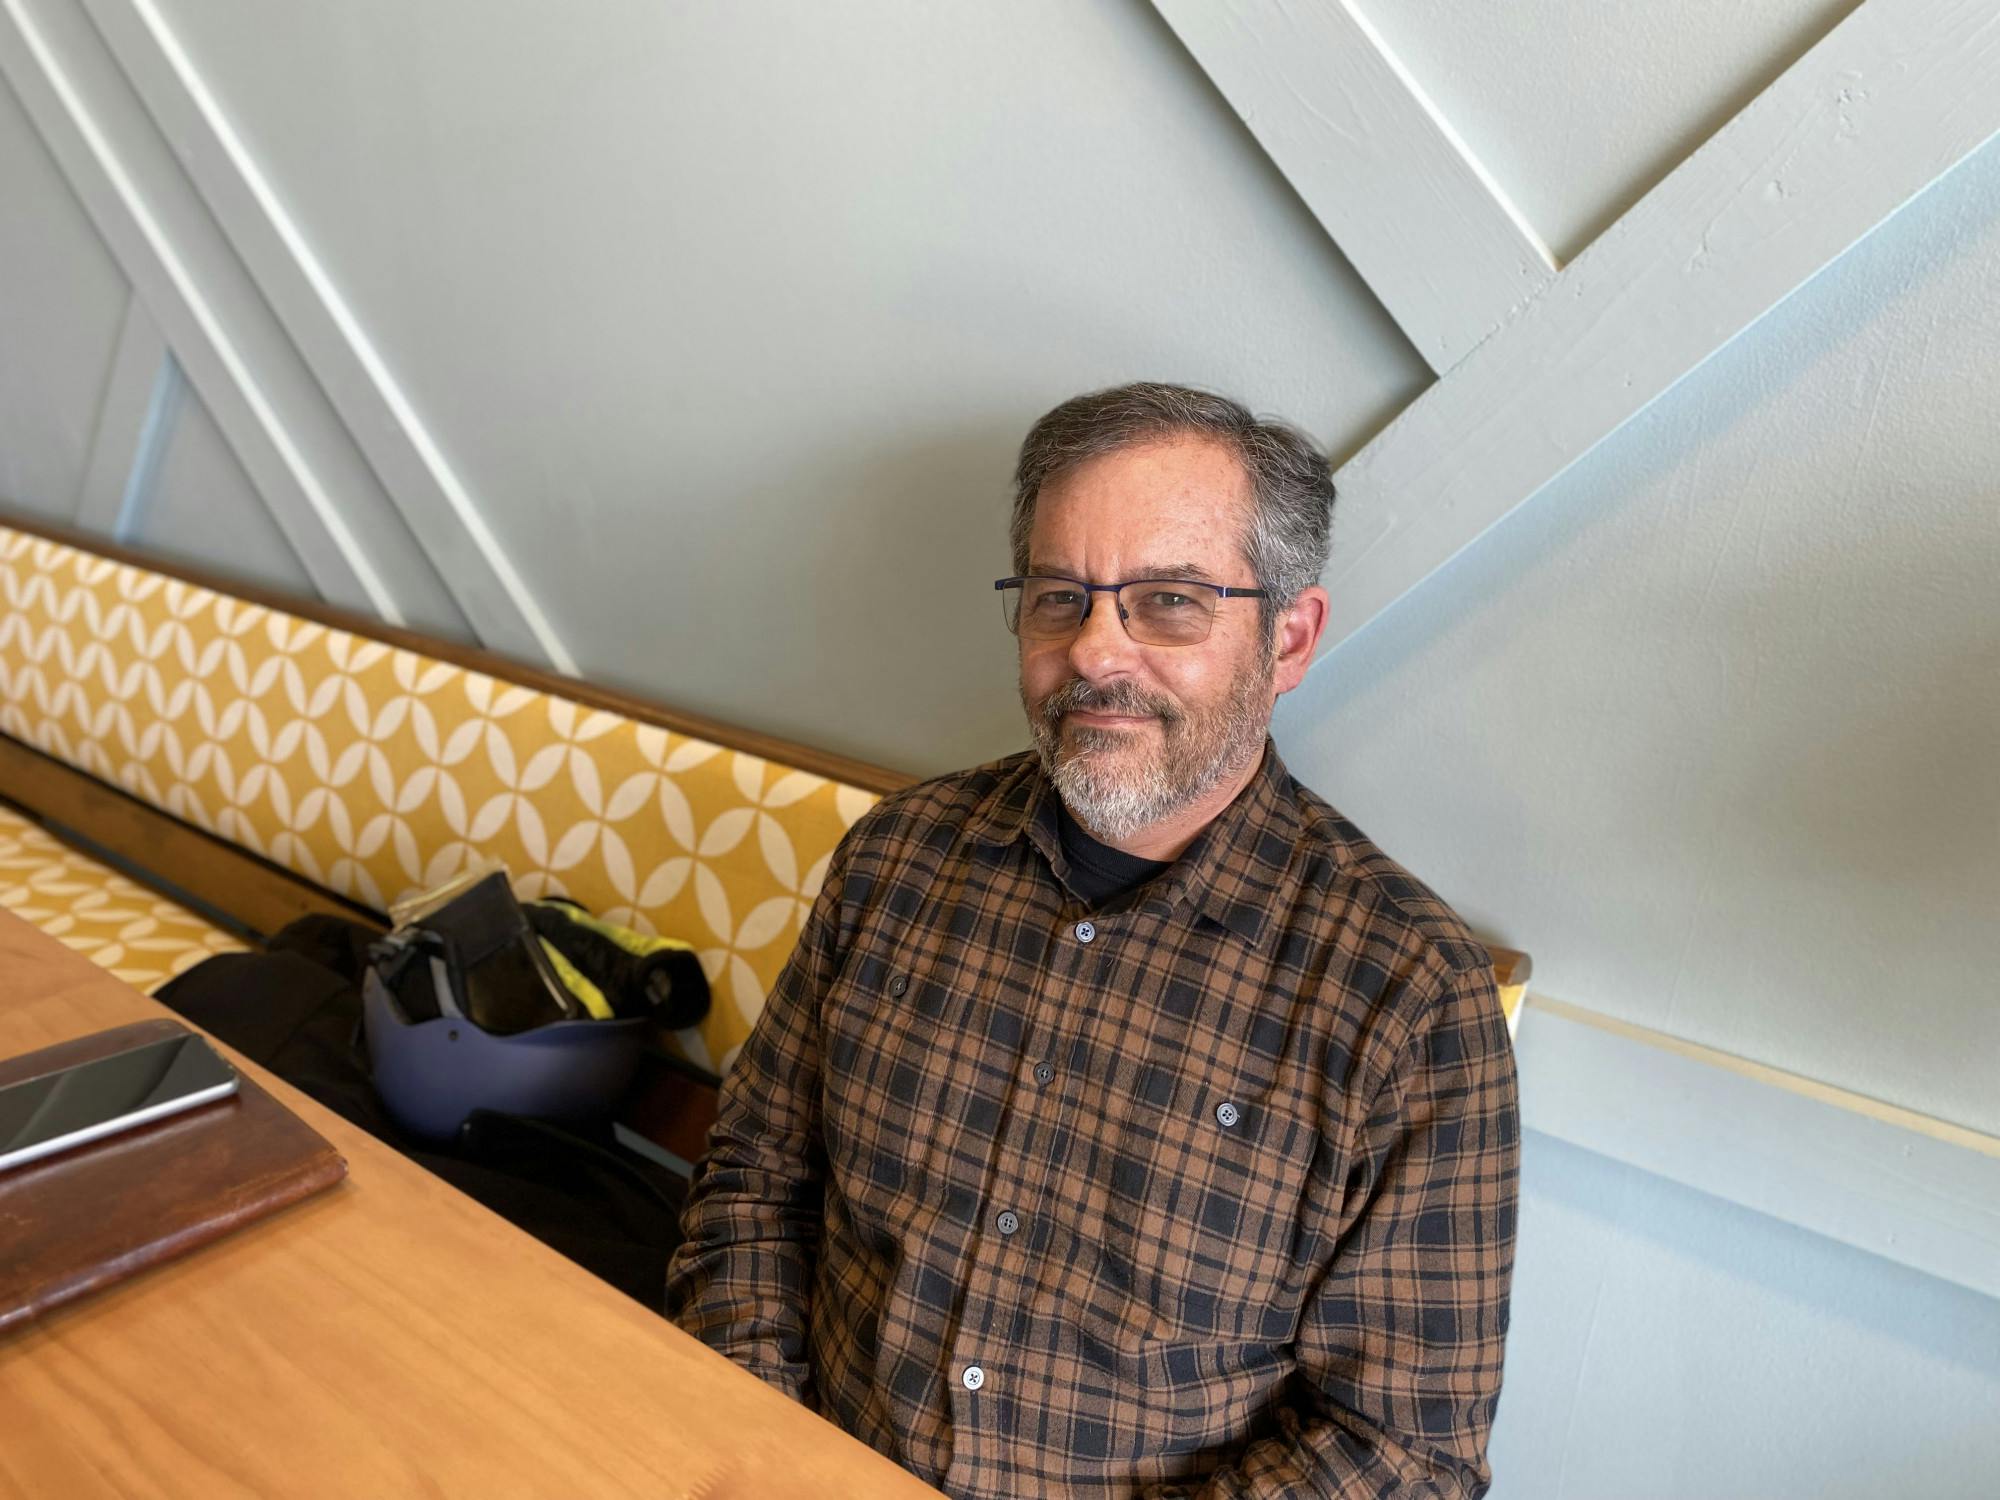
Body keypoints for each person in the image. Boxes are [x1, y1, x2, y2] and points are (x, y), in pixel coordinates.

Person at [665, 382, 1520, 1498]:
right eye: (1059, 598)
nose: (1093, 654)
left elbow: (1399, 1452)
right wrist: (765, 1450)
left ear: (1289, 637)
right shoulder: (897, 861)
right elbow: (753, 1184)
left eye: (1167, 601)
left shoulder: (1405, 1000)